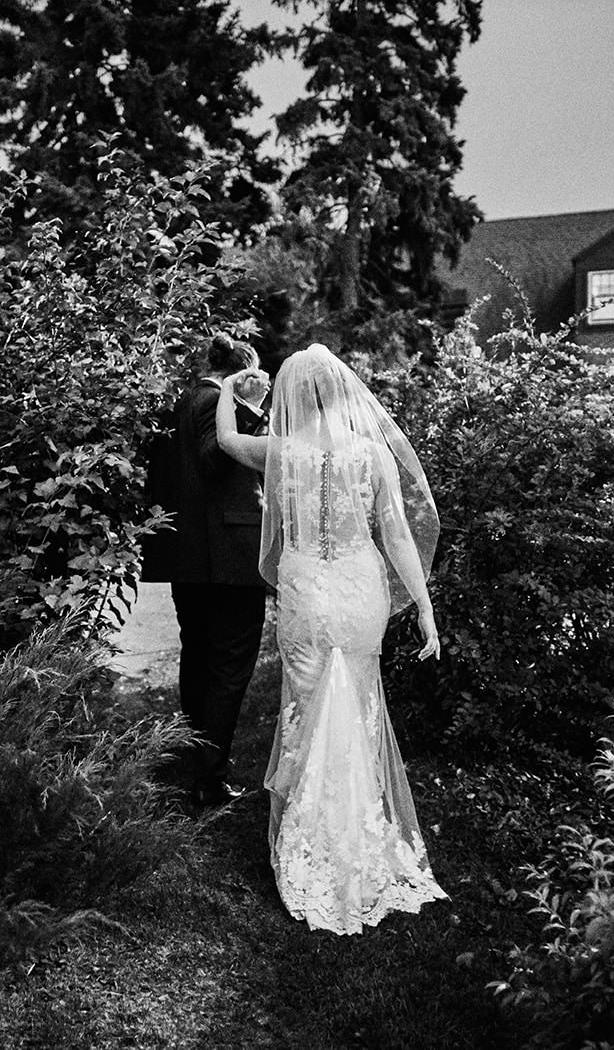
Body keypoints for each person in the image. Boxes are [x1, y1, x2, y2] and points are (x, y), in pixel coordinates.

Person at [214, 343, 447, 934]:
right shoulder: (371, 453)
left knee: (306, 704)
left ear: (293, 395)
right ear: (344, 392)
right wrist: (423, 606)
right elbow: (397, 536)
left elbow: (227, 441)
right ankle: (361, 830)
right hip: (360, 590)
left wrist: (229, 390)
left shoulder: (279, 450)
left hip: (306, 595)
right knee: (360, 704)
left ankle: (310, 836)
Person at [145, 336, 271, 807]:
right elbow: (214, 459)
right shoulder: (215, 402)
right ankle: (210, 779)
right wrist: (250, 410)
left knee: (198, 655)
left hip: (190, 557)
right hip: (228, 558)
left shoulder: (177, 403)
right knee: (229, 665)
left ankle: (196, 756)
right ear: (242, 372)